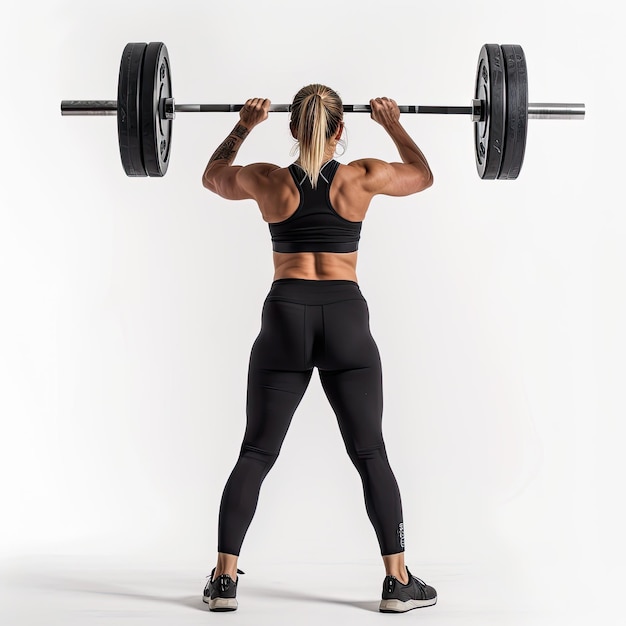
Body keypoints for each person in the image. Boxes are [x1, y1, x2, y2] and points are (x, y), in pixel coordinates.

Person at [200, 84, 436, 614]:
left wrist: (242, 125)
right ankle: (397, 583)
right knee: (370, 452)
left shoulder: (268, 180)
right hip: (345, 317)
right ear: (340, 129)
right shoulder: (361, 177)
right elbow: (422, 174)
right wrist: (393, 124)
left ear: (290, 128)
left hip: (285, 314)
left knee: (256, 452)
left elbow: (213, 175)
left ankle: (225, 580)